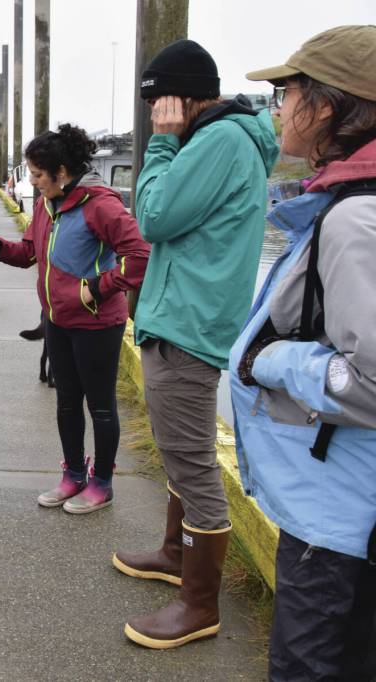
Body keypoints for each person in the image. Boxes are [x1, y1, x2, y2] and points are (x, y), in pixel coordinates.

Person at [113, 39, 279, 649]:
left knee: (191, 460)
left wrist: (160, 144)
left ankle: (199, 604)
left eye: (157, 104)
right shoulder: (220, 139)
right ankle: (174, 554)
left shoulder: (217, 141)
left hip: (188, 322)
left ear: (178, 99)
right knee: (184, 448)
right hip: (187, 314)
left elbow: (151, 216)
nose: (154, 115)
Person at [230, 25, 376, 679]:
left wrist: (270, 360)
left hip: (338, 525)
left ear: (327, 106)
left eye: (285, 92)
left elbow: (371, 381)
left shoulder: (353, 220)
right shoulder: (343, 207)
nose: (276, 107)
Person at [0, 124, 149, 514]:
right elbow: (28, 253)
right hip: (57, 319)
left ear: (62, 172)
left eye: (38, 175)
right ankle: (73, 475)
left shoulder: (100, 205)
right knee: (67, 402)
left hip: (97, 324)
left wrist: (98, 288)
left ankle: (102, 483)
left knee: (100, 406)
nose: (34, 183)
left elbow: (139, 255)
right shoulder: (46, 204)